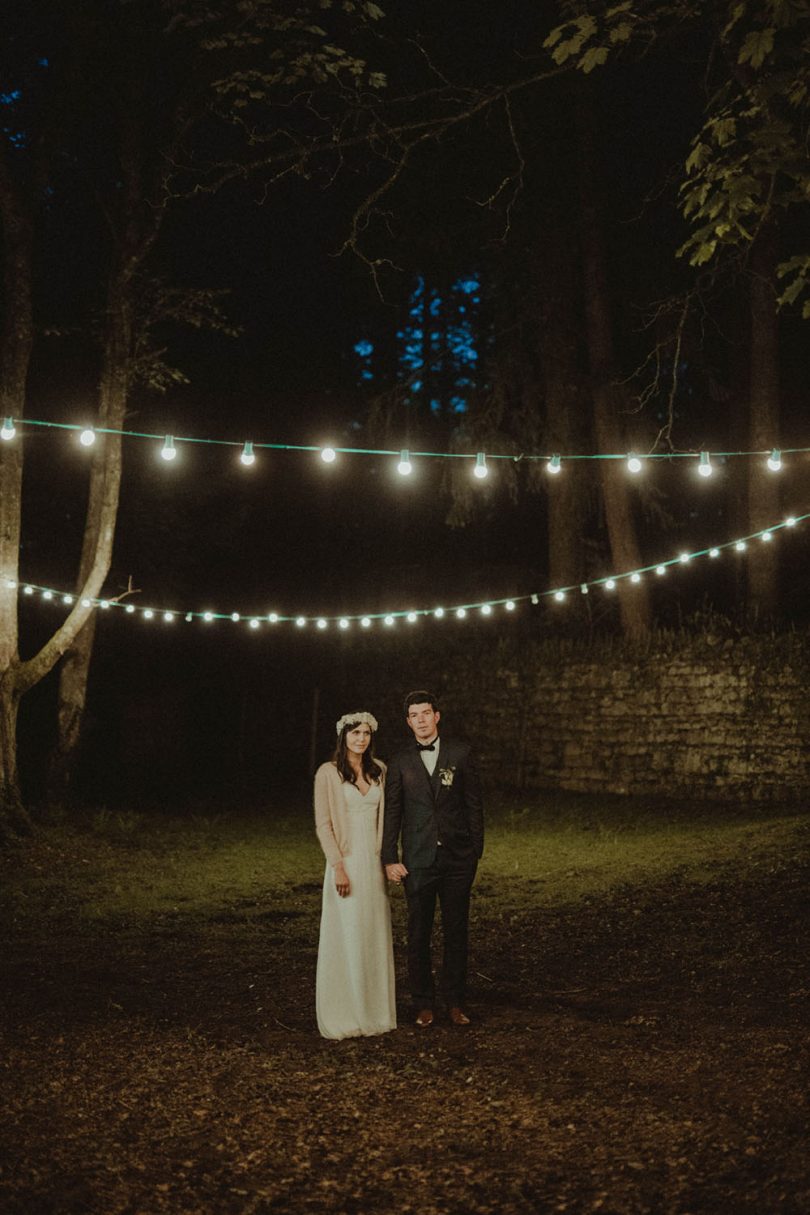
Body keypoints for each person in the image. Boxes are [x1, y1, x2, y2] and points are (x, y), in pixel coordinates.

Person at [382, 691, 484, 1027]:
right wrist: (389, 857)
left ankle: (455, 1001)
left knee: (456, 932)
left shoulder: (461, 753)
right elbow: (393, 812)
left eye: (427, 713)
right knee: (418, 932)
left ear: (437, 716)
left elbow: (474, 807)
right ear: (408, 720)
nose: (421, 719)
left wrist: (473, 855)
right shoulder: (399, 761)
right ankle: (423, 1003)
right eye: (415, 714)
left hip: (457, 860)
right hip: (418, 859)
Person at [314, 710, 396, 1040]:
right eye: (354, 733)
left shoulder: (381, 772)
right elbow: (324, 824)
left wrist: (388, 860)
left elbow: (386, 821)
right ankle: (345, 1012)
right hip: (346, 862)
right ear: (343, 736)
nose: (360, 739)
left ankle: (375, 1011)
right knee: (347, 933)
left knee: (372, 932)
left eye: (365, 734)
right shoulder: (328, 774)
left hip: (373, 862)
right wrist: (338, 867)